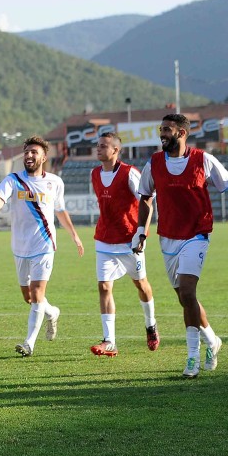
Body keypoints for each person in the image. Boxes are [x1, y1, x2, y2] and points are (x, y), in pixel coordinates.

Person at [132, 114, 228, 378]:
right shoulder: (153, 163)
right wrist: (141, 231)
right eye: (161, 129)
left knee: (188, 292)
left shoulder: (203, 160)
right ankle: (212, 340)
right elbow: (145, 198)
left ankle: (192, 358)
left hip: (196, 235)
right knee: (185, 299)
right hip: (168, 237)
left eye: (167, 130)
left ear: (182, 133)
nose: (162, 134)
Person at [0, 136, 84, 357]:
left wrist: (74, 236)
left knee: (36, 292)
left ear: (43, 157)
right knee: (29, 297)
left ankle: (29, 343)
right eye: (26, 152)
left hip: (44, 245)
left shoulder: (55, 182)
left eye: (34, 152)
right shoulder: (13, 180)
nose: (29, 156)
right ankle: (52, 313)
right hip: (20, 247)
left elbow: (60, 210)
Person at [89, 132, 158, 357]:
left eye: (103, 146)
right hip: (104, 239)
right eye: (98, 145)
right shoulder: (94, 173)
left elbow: (146, 202)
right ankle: (109, 341)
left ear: (116, 150)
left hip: (130, 241)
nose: (99, 149)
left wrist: (141, 233)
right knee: (104, 287)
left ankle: (151, 324)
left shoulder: (130, 173)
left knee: (141, 284)